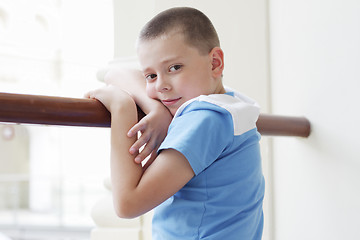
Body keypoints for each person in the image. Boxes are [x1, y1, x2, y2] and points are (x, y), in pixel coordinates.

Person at [86, 7, 265, 239]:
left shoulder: (206, 119)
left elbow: (127, 204)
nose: (161, 86)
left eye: (174, 68)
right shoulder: (230, 106)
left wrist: (122, 108)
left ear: (214, 63)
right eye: (150, 75)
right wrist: (156, 109)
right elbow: (116, 74)